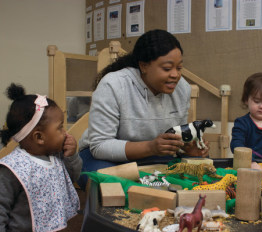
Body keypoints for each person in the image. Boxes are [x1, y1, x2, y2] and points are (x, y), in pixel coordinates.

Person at [78, 29, 209, 189]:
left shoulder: (182, 89)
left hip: (151, 156)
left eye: (179, 68)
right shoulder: (113, 85)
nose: (175, 75)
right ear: (144, 66)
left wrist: (188, 150)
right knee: (101, 181)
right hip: (103, 158)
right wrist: (151, 147)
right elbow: (100, 146)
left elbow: (176, 138)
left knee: (194, 174)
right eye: (167, 69)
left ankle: (146, 187)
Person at [0, 83, 82, 232]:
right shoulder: (12, 170)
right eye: (60, 127)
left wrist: (71, 155)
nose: (65, 132)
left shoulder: (55, 156)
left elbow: (71, 178)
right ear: (39, 137)